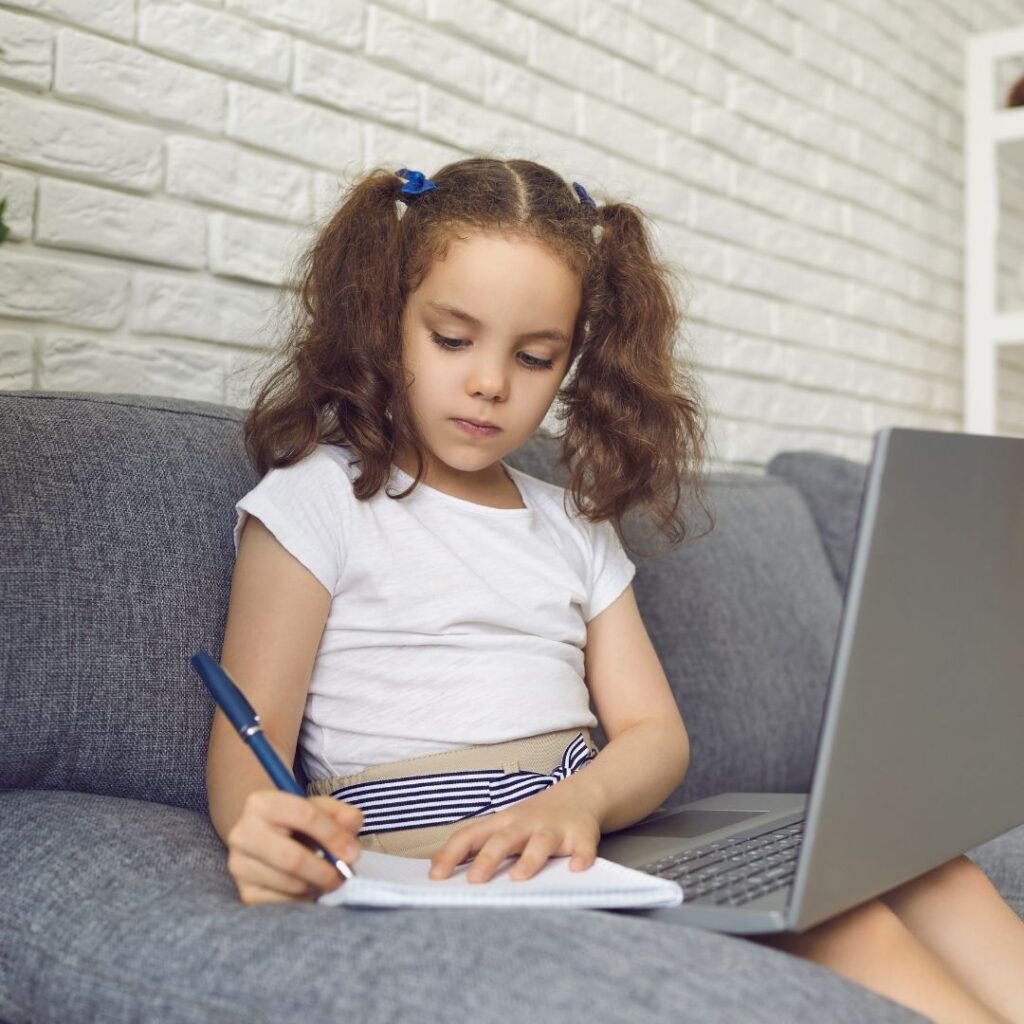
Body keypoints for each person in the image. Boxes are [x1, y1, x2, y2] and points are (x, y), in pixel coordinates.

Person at [206, 157, 1024, 1024]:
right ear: (385, 321)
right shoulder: (317, 499)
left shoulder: (571, 523)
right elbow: (245, 751)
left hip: (589, 829)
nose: (490, 381)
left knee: (932, 868)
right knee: (853, 929)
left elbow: (653, 735)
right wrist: (267, 834)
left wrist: (579, 802)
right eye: (452, 340)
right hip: (444, 856)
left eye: (534, 356)